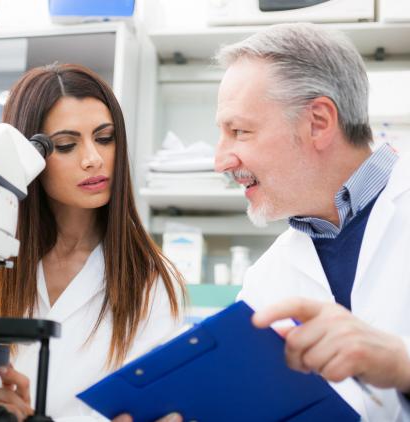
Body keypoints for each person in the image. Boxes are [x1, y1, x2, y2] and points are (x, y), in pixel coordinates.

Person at [114, 22, 410, 422]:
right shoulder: (266, 280)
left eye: (239, 131)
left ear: (318, 122)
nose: (221, 161)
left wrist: (400, 364)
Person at [0, 63, 185, 421]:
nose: (93, 159)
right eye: (66, 145)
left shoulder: (151, 280)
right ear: (28, 157)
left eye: (105, 138)